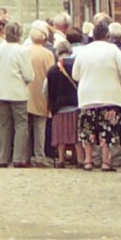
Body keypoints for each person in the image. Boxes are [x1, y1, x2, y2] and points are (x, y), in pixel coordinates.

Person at [71, 20, 121, 171]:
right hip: (109, 95)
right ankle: (105, 161)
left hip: (87, 95)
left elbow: (75, 75)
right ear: (107, 35)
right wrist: (117, 79)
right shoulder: (113, 50)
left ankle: (88, 161)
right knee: (108, 129)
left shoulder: (83, 51)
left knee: (87, 129)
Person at [0, 20, 35, 167]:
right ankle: (18, 158)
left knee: (3, 125)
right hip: (17, 92)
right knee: (21, 124)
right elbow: (28, 75)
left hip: (0, 91)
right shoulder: (22, 51)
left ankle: (2, 157)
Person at [46, 34, 80, 167]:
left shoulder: (53, 69)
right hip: (76, 104)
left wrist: (50, 104)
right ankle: (78, 158)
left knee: (60, 135)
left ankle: (61, 159)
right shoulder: (77, 66)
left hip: (59, 107)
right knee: (76, 134)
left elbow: (46, 88)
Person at [26, 23, 56, 166]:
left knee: (25, 125)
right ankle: (39, 155)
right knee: (40, 125)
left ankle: (26, 154)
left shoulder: (25, 51)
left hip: (26, 90)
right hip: (41, 91)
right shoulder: (47, 54)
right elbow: (50, 74)